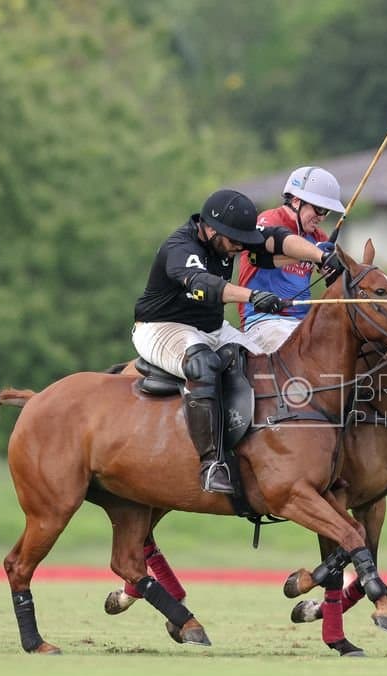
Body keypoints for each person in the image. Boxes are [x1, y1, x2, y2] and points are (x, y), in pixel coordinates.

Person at [133, 187, 341, 494]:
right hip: (162, 327)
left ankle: (263, 449)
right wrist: (254, 296)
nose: (238, 248)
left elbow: (277, 239)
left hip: (212, 329)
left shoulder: (228, 241)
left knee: (270, 367)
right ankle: (211, 464)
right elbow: (207, 285)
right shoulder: (180, 248)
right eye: (234, 242)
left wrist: (321, 255)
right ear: (211, 230)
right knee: (202, 365)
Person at [235, 166, 347, 353]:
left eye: (326, 212)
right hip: (263, 321)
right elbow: (260, 257)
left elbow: (332, 278)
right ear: (296, 201)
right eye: (319, 209)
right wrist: (316, 254)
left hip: (304, 321)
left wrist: (332, 268)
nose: (321, 217)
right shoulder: (268, 220)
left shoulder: (319, 237)